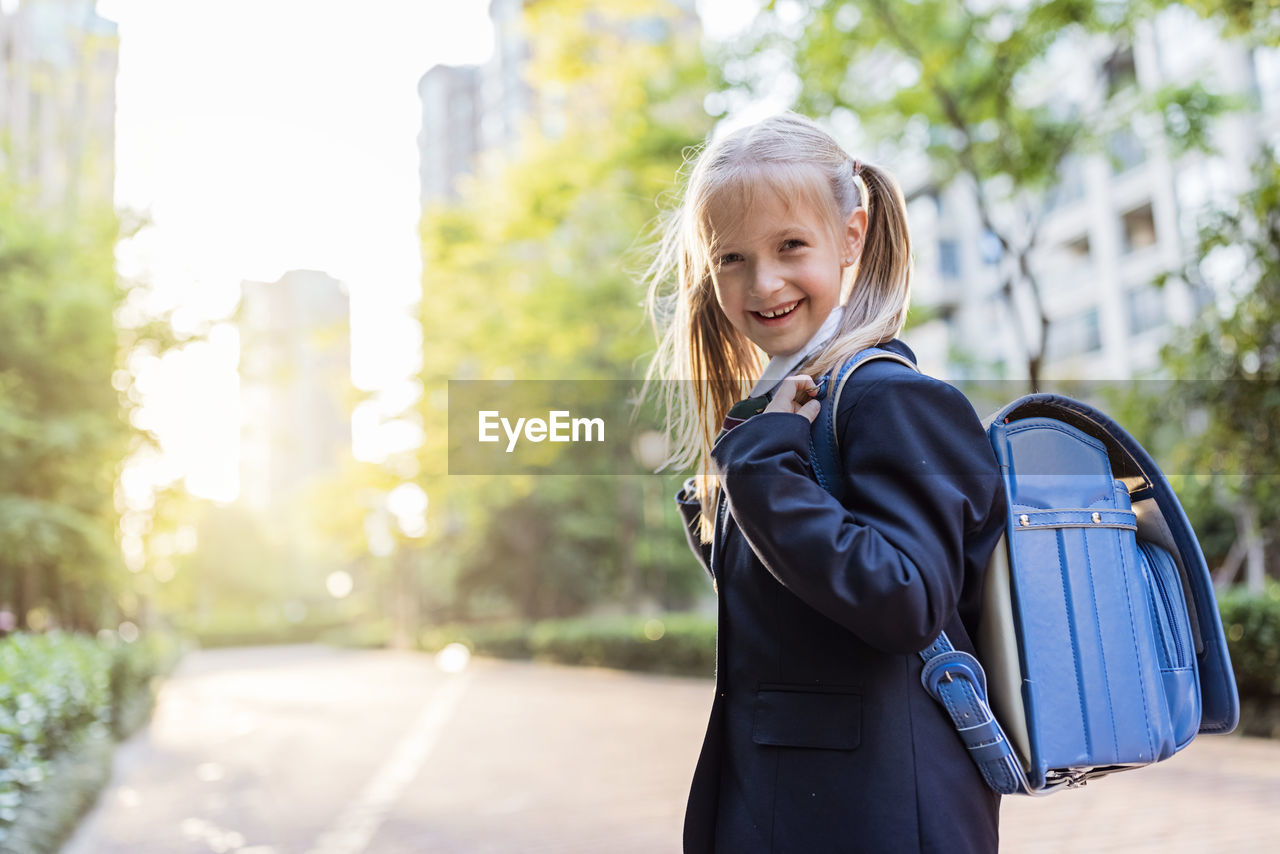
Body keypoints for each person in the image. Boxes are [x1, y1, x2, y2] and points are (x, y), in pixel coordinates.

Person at [640, 112, 1007, 853]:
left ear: (852, 235)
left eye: (790, 246)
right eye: (732, 259)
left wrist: (762, 469)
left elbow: (905, 600)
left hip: (878, 816)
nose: (762, 282)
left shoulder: (892, 400)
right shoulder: (783, 409)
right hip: (794, 807)